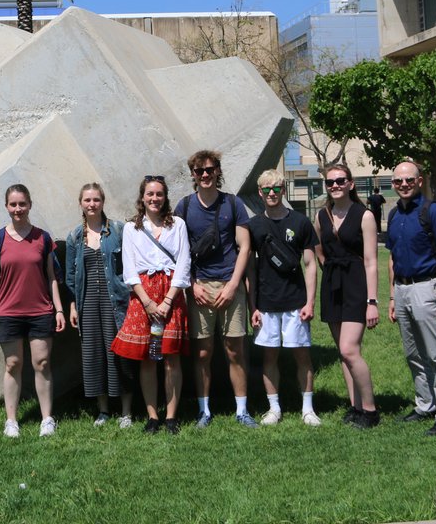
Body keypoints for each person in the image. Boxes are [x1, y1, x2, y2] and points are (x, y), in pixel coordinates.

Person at [173, 150, 255, 428]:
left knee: (235, 350)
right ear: (193, 175)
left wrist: (233, 285)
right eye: (199, 171)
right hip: (200, 288)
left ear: (218, 171)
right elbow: (179, 252)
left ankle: (242, 410)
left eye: (210, 169)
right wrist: (192, 285)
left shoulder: (233, 204)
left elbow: (244, 247)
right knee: (203, 353)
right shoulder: (184, 208)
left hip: (230, 286)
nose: (205, 175)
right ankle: (203, 411)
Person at [0, 184, 65, 437]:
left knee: (41, 363)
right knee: (12, 364)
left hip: (40, 311)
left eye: (22, 204)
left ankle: (47, 419)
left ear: (30, 205)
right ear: (7, 207)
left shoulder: (43, 238)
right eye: (13, 205)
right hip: (8, 312)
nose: (18, 209)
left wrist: (59, 310)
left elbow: (52, 277)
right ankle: (11, 421)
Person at [111, 176, 190, 435]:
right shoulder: (132, 229)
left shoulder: (177, 224)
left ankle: (171, 416)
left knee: (170, 357)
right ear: (142, 197)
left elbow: (184, 262)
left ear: (165, 197)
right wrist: (147, 302)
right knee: (147, 358)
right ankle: (152, 416)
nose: (154, 199)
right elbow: (129, 268)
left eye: (159, 194)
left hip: (171, 293)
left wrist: (168, 300)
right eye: (149, 194)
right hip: (143, 296)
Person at [386, 160, 436, 435]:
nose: (403, 185)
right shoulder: (394, 215)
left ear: (419, 181)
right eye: (397, 181)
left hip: (428, 288)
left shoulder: (434, 212)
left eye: (408, 180)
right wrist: (392, 297)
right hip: (402, 290)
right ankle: (425, 404)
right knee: (413, 353)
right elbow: (392, 257)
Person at [246, 170, 321, 426]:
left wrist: (310, 302)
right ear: (260, 193)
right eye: (266, 189)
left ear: (283, 190)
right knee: (270, 357)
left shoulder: (301, 222)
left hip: (295, 302)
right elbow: (250, 270)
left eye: (276, 188)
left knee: (302, 356)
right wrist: (252, 305)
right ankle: (274, 408)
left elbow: (310, 264)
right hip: (266, 304)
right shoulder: (253, 225)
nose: (271, 193)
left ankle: (308, 409)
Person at [314, 163, 380, 428]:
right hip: (332, 284)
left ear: (351, 184)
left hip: (356, 284)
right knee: (343, 353)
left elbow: (371, 261)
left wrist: (372, 301)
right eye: (330, 182)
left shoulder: (364, 215)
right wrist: (327, 268)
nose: (335, 186)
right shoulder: (322, 216)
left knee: (349, 349)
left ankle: (371, 410)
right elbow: (319, 249)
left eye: (340, 181)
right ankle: (355, 406)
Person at [65, 183, 133, 428]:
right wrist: (73, 305)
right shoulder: (74, 236)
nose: (91, 204)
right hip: (88, 304)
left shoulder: (118, 230)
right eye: (87, 200)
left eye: (96, 199)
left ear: (103, 201)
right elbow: (71, 276)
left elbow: (130, 266)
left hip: (116, 301)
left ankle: (126, 411)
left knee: (119, 353)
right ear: (80, 203)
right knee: (94, 355)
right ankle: (103, 410)